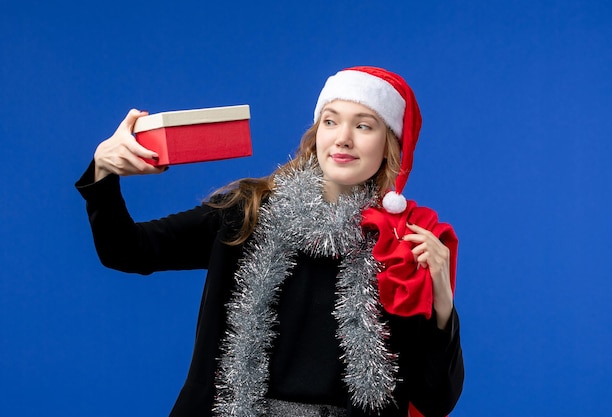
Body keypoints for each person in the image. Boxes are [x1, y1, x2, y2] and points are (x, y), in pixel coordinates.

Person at [76, 66, 464, 417]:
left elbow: (434, 399)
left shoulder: (400, 246)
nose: (343, 138)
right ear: (317, 135)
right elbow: (127, 250)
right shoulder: (247, 211)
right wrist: (103, 173)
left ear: (388, 146)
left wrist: (443, 302)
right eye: (331, 121)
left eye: (364, 126)